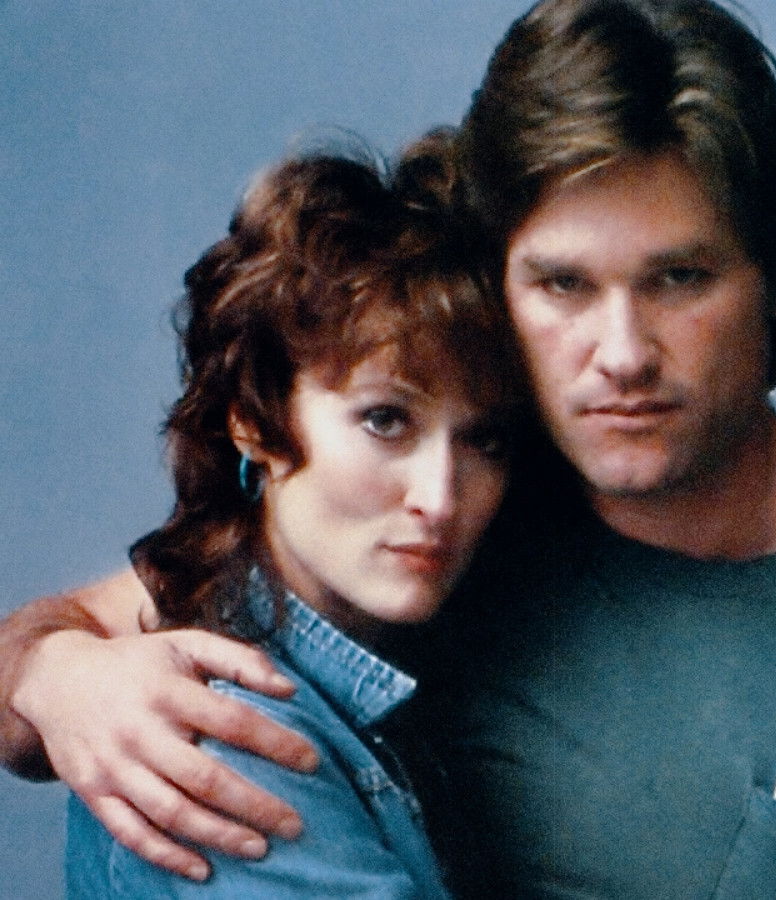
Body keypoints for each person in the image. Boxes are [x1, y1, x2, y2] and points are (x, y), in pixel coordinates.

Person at [0, 0, 776, 894]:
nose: (622, 354)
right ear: (498, 288)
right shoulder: (446, 527)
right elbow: (67, 646)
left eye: (680, 278)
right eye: (561, 284)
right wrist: (62, 680)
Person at [63, 146, 530, 896]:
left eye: (486, 441)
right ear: (252, 419)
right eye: (386, 420)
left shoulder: (387, 664)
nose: (441, 498)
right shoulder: (228, 739)